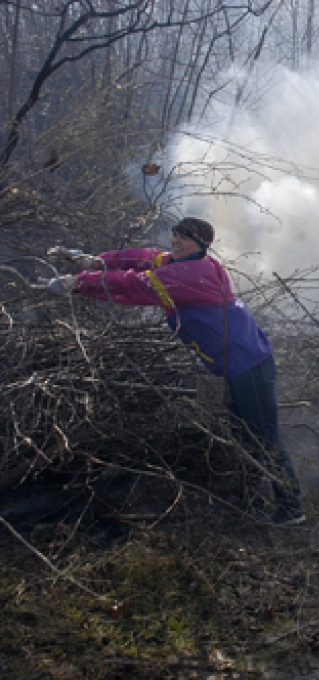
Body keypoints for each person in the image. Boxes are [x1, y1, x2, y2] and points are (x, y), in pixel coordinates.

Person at [43, 218, 305, 525]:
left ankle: (290, 508)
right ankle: (251, 500)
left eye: (186, 238)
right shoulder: (177, 263)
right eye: (176, 235)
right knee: (241, 434)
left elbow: (135, 285)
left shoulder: (193, 273)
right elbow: (140, 258)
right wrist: (97, 261)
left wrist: (80, 283)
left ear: (202, 245)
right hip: (224, 366)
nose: (176, 242)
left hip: (248, 365)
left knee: (264, 436)